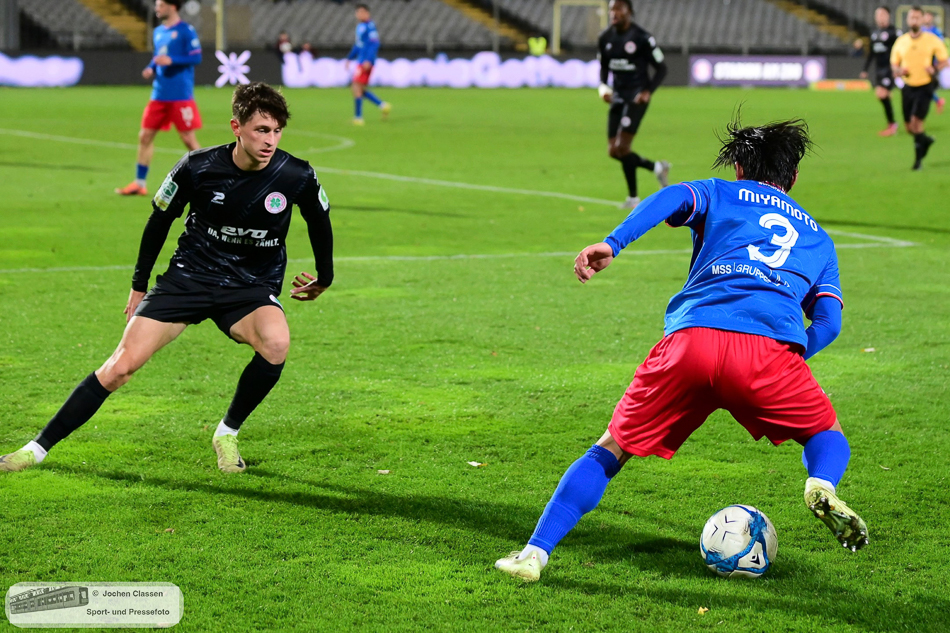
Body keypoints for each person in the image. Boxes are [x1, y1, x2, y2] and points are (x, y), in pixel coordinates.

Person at [494, 117, 869, 583]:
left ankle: (534, 554)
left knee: (609, 450)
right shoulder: (819, 239)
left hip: (692, 343)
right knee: (827, 434)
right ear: (792, 177)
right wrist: (785, 360)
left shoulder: (719, 192)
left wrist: (613, 243)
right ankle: (821, 483)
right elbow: (829, 323)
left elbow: (672, 196)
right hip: (768, 355)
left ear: (738, 168)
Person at [1, 83, 334, 475]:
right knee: (120, 367)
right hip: (189, 278)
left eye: (277, 131)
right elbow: (159, 221)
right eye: (261, 130)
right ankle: (35, 449)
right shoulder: (197, 167)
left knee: (276, 343)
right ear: (236, 127)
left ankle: (226, 433)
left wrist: (325, 277)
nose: (270, 140)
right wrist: (139, 285)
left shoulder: (295, 174)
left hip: (250, 285)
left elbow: (320, 220)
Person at [116, 0, 203, 196]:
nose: (157, 8)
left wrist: (172, 60)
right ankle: (140, 183)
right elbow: (158, 56)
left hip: (180, 94)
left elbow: (196, 57)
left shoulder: (186, 31)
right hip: (159, 94)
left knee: (188, 139)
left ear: (172, 6)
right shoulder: (158, 32)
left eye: (161, 5)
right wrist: (151, 67)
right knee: (145, 136)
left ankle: (207, 180)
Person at [597, 0, 670, 210]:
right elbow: (604, 66)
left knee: (622, 147)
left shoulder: (642, 38)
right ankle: (657, 167)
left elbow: (662, 68)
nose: (614, 13)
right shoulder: (605, 38)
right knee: (613, 151)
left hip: (637, 98)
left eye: (618, 9)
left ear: (629, 12)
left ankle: (633, 198)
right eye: (611, 9)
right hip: (617, 97)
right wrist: (603, 87)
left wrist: (648, 91)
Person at [890, 5, 949, 170]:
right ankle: (925, 141)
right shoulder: (901, 41)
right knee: (909, 127)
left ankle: (918, 162)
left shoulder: (932, 40)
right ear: (908, 20)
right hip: (908, 86)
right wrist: (898, 71)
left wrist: (935, 69)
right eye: (912, 17)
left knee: (916, 122)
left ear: (922, 20)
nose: (914, 20)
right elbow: (894, 64)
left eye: (917, 17)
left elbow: (944, 60)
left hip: (925, 85)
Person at [858, 6, 901, 136]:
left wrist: (897, 68)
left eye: (882, 14)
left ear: (888, 16)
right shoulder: (874, 33)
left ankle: (892, 124)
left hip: (889, 69)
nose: (879, 17)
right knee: (882, 95)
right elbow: (871, 53)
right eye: (877, 15)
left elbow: (901, 51)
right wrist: (865, 69)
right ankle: (893, 123)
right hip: (879, 69)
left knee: (881, 94)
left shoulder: (894, 32)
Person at [346, 4, 390, 125]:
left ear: (367, 13)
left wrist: (368, 60)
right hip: (360, 60)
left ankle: (358, 117)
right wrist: (349, 58)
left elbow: (374, 44)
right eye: (357, 12)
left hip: (365, 62)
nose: (359, 14)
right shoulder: (360, 26)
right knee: (359, 88)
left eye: (362, 12)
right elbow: (358, 45)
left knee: (356, 87)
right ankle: (382, 105)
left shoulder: (370, 26)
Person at [922, 11, 946, 113]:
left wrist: (938, 62)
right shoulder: (920, 30)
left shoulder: (936, 31)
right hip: (920, 61)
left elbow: (941, 47)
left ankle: (937, 100)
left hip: (932, 62)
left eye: (929, 16)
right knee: (923, 86)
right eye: (926, 16)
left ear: (932, 18)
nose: (927, 18)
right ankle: (938, 101)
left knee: (925, 85)